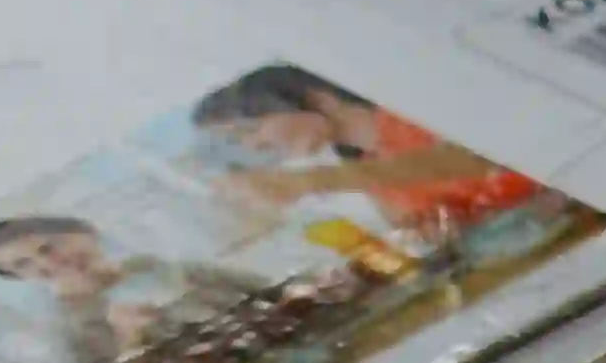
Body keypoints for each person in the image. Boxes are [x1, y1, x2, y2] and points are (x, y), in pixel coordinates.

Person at [189, 65, 547, 248]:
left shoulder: (412, 111)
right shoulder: (360, 168)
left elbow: (480, 157)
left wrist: (313, 182)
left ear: (317, 99)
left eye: (251, 129)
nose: (254, 147)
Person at [0, 215, 263, 363]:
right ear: (18, 278)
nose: (48, 263)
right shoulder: (66, 331)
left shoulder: (161, 267)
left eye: (48, 247)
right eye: (23, 265)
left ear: (82, 235)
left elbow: (266, 290)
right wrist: (129, 340)